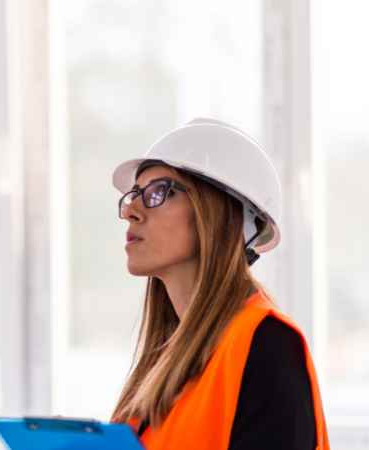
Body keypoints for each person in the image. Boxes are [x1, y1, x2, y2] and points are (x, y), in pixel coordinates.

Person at [109, 118, 330, 450]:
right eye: (134, 195)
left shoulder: (269, 346)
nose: (131, 212)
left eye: (158, 192)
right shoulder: (163, 360)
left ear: (218, 213)